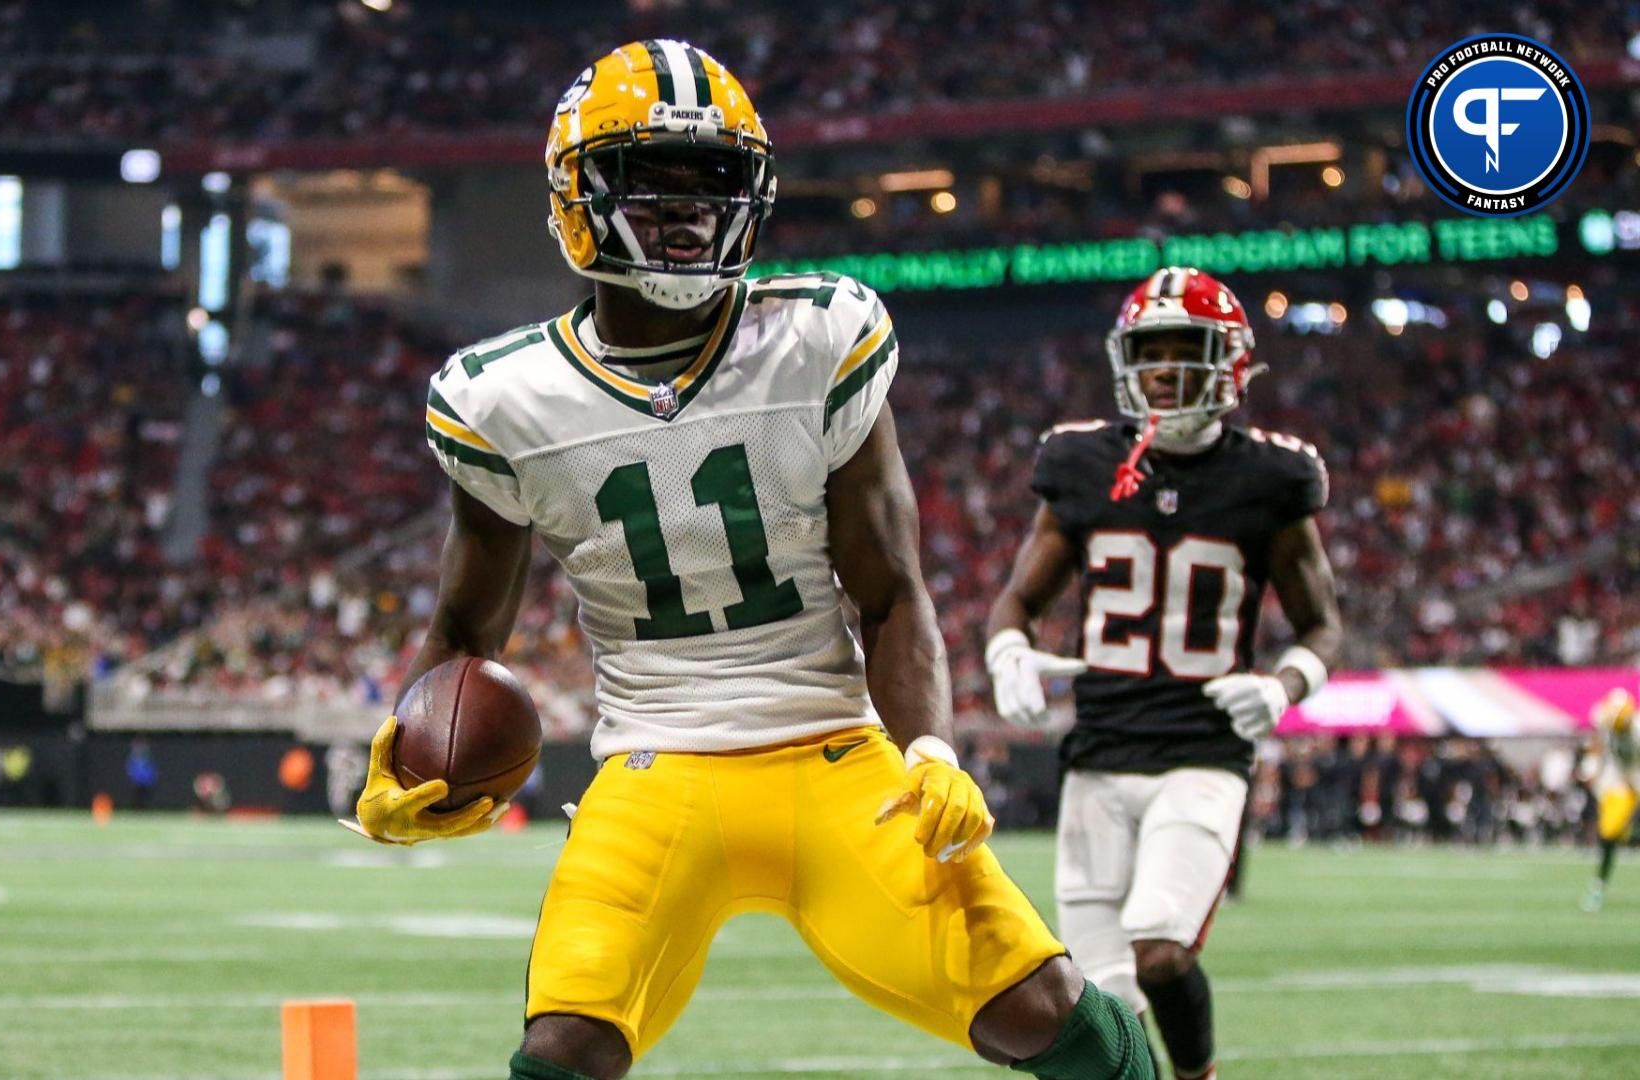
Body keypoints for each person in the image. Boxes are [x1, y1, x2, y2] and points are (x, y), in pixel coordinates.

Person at [345, 40, 1152, 1080]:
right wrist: (414, 749)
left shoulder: (819, 335)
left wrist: (932, 749)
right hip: (656, 766)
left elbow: (891, 589)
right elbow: (467, 630)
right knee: (563, 1049)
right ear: (576, 197)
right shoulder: (502, 398)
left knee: (1044, 1012)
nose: (687, 208)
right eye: (651, 178)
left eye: (713, 179)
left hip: (833, 754)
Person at [984, 267, 1343, 1080]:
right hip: (1099, 756)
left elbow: (1322, 622)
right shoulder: (1080, 463)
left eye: (1191, 351)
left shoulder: (1270, 478)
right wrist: (1007, 650)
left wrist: (1282, 685)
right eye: (1153, 353)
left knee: (1160, 947)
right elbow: (1015, 600)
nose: (1168, 372)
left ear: (1235, 364)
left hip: (1202, 753)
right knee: (1101, 999)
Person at [1578, 687, 1638, 912]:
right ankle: (1599, 886)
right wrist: (1591, 768)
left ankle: (1598, 886)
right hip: (1614, 782)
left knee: (1611, 832)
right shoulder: (1605, 721)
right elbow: (1598, 742)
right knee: (1609, 834)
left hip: (1633, 781)